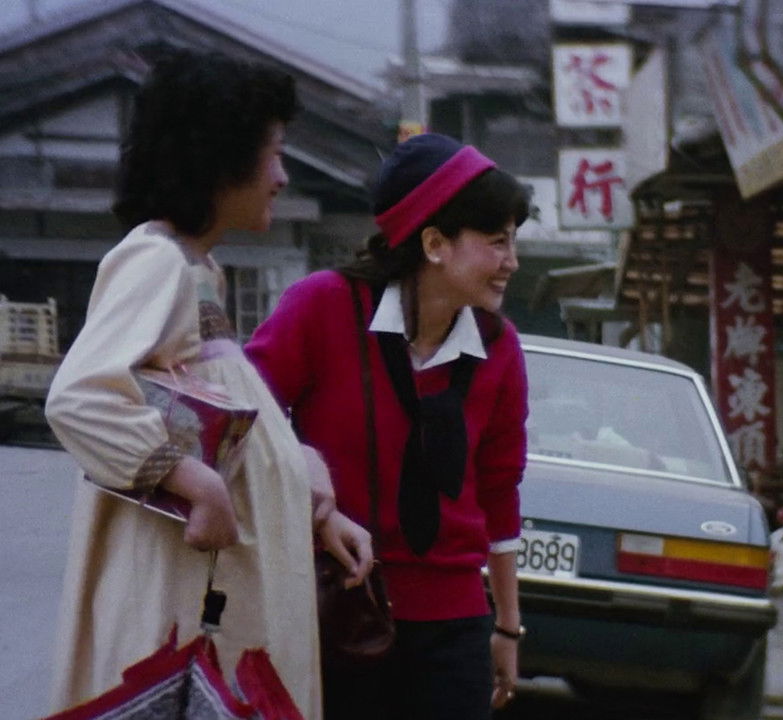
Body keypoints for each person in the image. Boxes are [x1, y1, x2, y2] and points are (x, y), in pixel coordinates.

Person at [43, 50, 371, 718]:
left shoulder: (197, 273)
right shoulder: (156, 261)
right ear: (221, 158)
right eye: (274, 153)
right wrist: (196, 483)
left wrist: (304, 489)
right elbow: (80, 397)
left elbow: (207, 423)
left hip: (213, 616)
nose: (282, 176)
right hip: (182, 623)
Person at [245, 132, 529, 720]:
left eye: (513, 242)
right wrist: (313, 497)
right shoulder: (323, 307)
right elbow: (243, 418)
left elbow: (499, 491)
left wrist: (507, 626)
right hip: (338, 609)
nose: (512, 262)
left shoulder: (500, 349)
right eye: (497, 242)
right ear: (435, 243)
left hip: (455, 628)